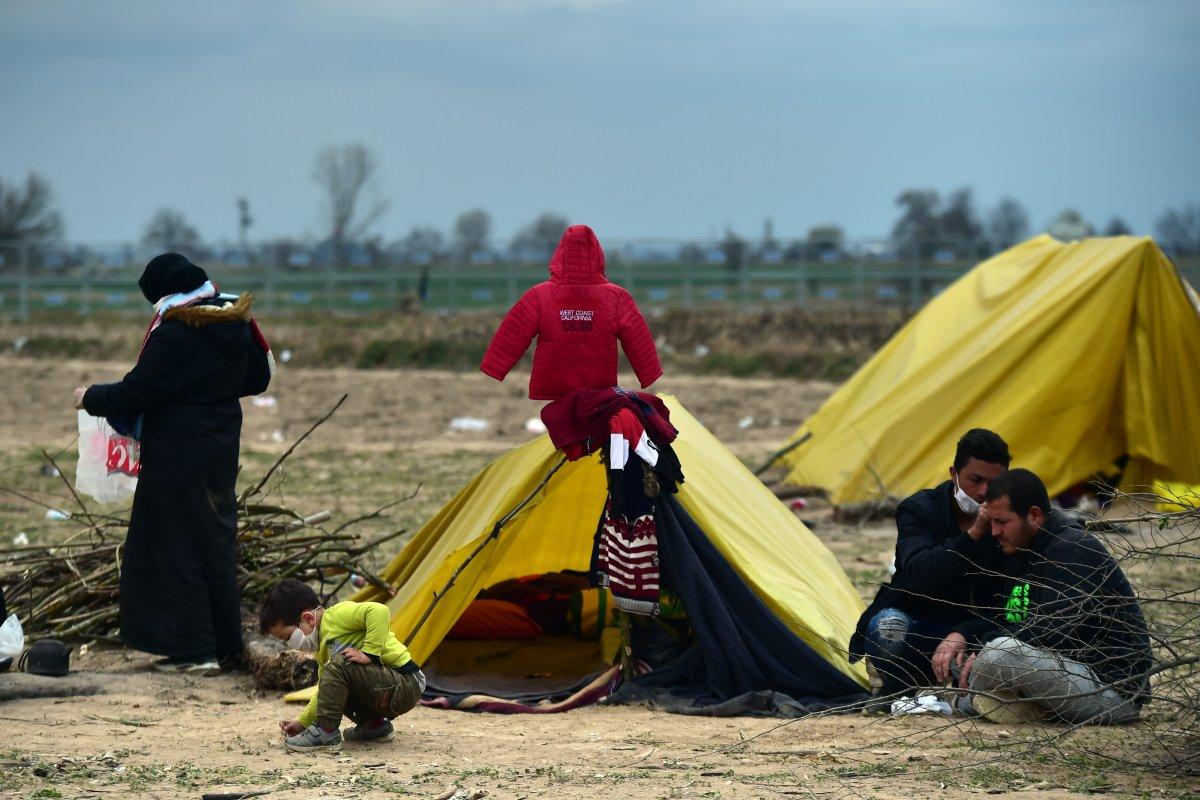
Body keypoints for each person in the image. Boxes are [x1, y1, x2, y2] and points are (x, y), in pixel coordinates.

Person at [74, 253, 273, 674]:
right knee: (214, 544)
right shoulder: (234, 320)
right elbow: (258, 379)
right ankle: (224, 646)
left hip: (176, 454)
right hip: (220, 449)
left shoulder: (176, 332)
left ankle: (192, 650)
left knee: (174, 545)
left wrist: (90, 397)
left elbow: (139, 391)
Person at [947, 469, 1151, 724]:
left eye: (1002, 522)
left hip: (1110, 693)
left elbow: (1053, 630)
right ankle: (1023, 706)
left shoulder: (1072, 548)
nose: (994, 532)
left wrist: (985, 649)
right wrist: (963, 634)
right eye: (992, 522)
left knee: (998, 653)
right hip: (1059, 674)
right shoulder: (1024, 549)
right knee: (962, 655)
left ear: (1034, 515)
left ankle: (1003, 704)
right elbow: (1009, 619)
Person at [849, 429, 1010, 697]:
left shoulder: (1009, 519)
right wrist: (973, 535)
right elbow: (921, 574)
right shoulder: (920, 510)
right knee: (888, 627)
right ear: (953, 474)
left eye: (994, 483)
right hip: (924, 626)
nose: (984, 492)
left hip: (982, 632)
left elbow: (1014, 595)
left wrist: (965, 633)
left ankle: (956, 685)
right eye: (975, 480)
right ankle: (901, 688)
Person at [479, 224, 662, 401]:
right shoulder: (617, 296)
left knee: (560, 429)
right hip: (598, 386)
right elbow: (638, 338)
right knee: (592, 429)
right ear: (597, 255)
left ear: (560, 255)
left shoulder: (538, 295)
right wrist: (649, 373)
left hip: (554, 383)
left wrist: (495, 367)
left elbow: (514, 332)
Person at [261, 579, 425, 752]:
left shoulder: (336, 615)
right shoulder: (323, 647)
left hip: (407, 683)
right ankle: (374, 726)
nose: (290, 645)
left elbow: (379, 611)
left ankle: (326, 732)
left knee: (339, 663)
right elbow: (326, 693)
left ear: (308, 619)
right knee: (331, 685)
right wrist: (302, 723)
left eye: (287, 637)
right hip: (388, 689)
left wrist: (369, 653)